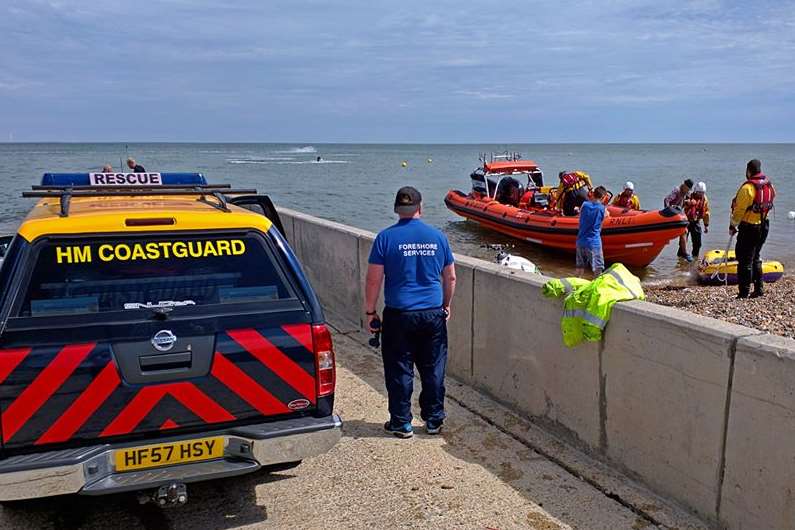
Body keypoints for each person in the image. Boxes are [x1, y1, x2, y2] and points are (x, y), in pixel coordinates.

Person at [364, 187, 456, 438]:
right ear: (420, 208)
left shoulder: (385, 238)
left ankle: (402, 422)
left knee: (399, 369)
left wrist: (371, 312)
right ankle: (434, 420)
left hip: (399, 314)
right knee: (434, 368)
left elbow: (373, 281)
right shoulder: (438, 238)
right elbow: (450, 277)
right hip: (432, 314)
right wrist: (445, 305)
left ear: (397, 209)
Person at [731, 159, 776, 298]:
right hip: (764, 225)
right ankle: (759, 289)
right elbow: (770, 201)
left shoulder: (747, 188)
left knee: (744, 259)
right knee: (756, 256)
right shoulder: (770, 186)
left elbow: (738, 211)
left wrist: (732, 225)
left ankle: (743, 292)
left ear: (748, 171)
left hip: (750, 228)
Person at [576, 186, 609, 277]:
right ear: (603, 197)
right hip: (593, 243)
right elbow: (606, 216)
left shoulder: (584, 205)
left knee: (580, 268)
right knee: (598, 269)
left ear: (593, 195)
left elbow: (580, 216)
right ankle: (595, 288)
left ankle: (575, 287)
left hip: (580, 241)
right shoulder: (603, 209)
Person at [680, 181, 710, 261]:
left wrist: (706, 225)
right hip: (686, 221)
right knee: (683, 243)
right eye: (699, 192)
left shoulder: (705, 200)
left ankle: (695, 259)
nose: (701, 194)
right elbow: (680, 205)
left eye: (702, 192)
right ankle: (680, 260)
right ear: (695, 191)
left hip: (696, 222)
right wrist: (688, 203)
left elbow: (706, 213)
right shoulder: (689, 196)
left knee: (698, 243)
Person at [664, 178, 694, 260]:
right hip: (671, 212)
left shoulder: (686, 192)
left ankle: (684, 253)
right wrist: (669, 210)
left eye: (689, 189)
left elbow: (689, 199)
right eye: (687, 188)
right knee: (684, 231)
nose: (687, 190)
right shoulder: (676, 190)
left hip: (678, 213)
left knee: (685, 231)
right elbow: (666, 200)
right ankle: (684, 252)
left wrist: (689, 202)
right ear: (684, 185)